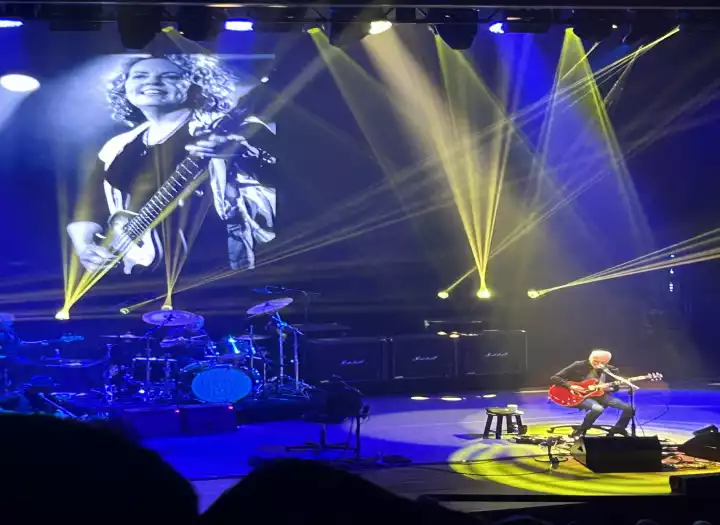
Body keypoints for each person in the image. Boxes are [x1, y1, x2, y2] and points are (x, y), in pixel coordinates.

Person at [67, 54, 277, 278]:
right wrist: (85, 248)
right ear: (124, 87)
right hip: (143, 276)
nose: (153, 82)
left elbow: (279, 173)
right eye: (139, 76)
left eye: (169, 76)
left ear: (195, 85)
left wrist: (238, 153)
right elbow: (88, 210)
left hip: (214, 269)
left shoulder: (225, 129)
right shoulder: (117, 147)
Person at [550, 349, 635, 438]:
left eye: (602, 362)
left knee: (630, 408)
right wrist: (570, 386)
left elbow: (615, 388)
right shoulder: (579, 365)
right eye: (595, 361)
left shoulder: (612, 370)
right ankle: (581, 429)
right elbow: (555, 378)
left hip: (601, 395)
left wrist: (608, 388)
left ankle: (619, 428)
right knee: (598, 409)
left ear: (607, 361)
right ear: (590, 358)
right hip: (578, 396)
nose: (598, 364)